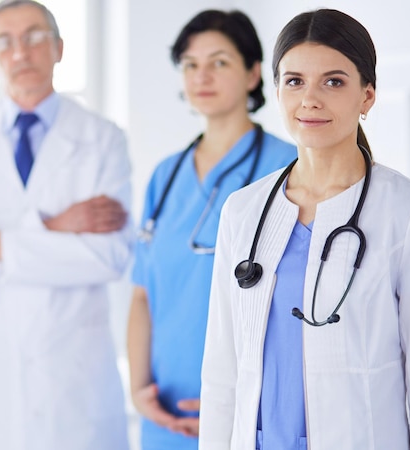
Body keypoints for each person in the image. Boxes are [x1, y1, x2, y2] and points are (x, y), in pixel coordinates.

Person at [199, 8, 410, 450]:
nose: (310, 99)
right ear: (277, 89)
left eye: (334, 81)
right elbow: (222, 370)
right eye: (295, 81)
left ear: (367, 95)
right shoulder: (242, 211)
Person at [0, 1, 133, 449]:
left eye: (35, 37)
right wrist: (56, 225)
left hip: (73, 380)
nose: (21, 52)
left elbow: (107, 257)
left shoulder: (103, 139)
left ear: (58, 47)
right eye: (5, 41)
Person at [127, 9, 297, 450]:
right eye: (190, 64)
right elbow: (142, 294)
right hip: (164, 414)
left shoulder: (287, 169)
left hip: (251, 409)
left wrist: (237, 396)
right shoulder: (165, 177)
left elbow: (296, 305)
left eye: (219, 62)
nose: (202, 76)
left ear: (254, 73)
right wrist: (139, 391)